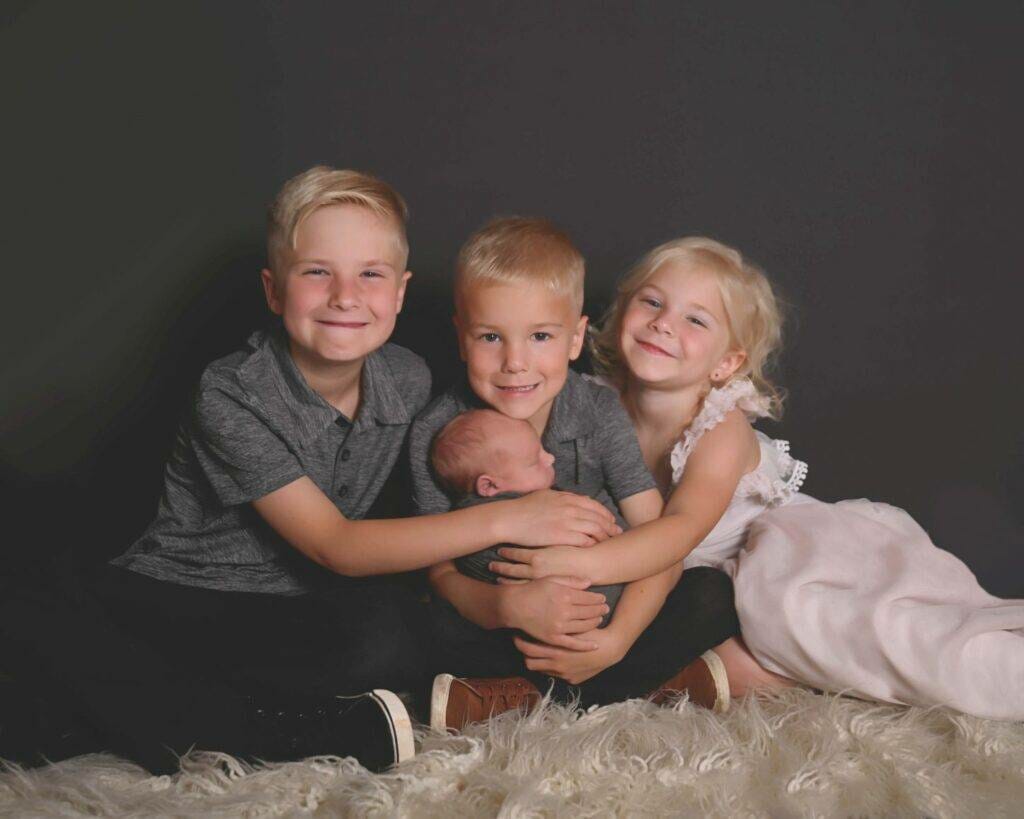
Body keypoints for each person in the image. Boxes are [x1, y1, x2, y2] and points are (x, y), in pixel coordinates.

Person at [0, 168, 621, 774]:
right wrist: (512, 514)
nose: (345, 296)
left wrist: (534, 555)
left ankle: (129, 715)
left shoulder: (409, 380)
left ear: (400, 294)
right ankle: (293, 729)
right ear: (274, 291)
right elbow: (338, 547)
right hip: (191, 597)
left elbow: (447, 500)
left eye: (370, 275)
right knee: (35, 609)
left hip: (313, 614)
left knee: (392, 625)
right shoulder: (232, 393)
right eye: (317, 272)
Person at [489, 236, 1024, 721]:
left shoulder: (721, 427)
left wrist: (583, 564)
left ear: (727, 363)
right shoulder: (591, 404)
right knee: (728, 657)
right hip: (682, 578)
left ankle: (1004, 673)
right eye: (651, 302)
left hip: (774, 552)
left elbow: (681, 530)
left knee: (843, 628)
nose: (664, 324)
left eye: (696, 320)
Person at [410, 218, 741, 731]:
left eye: (541, 336)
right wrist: (506, 606)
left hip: (604, 613)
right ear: (461, 336)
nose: (515, 363)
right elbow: (438, 573)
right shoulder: (438, 429)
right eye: (491, 337)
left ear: (575, 338)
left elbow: (664, 546)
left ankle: (518, 699)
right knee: (408, 617)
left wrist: (616, 641)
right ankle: (647, 688)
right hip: (504, 617)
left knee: (712, 596)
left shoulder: (596, 412)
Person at [431, 407, 623, 622]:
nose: (550, 458)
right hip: (581, 612)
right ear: (489, 485)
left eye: (542, 449)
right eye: (534, 461)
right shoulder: (474, 529)